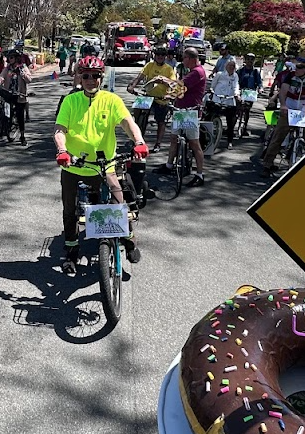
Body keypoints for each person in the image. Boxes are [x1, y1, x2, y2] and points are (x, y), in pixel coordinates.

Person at [54, 56, 147, 276]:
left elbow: (127, 122)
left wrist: (139, 142)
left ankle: (129, 239)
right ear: (79, 77)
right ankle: (71, 250)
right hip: (74, 165)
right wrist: (62, 150)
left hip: (104, 165)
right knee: (70, 210)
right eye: (85, 75)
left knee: (118, 202)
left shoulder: (111, 100)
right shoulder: (71, 101)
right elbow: (60, 129)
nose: (90, 80)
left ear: (101, 77)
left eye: (95, 76)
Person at [260, 53, 305, 178]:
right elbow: (283, 92)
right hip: (288, 109)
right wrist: (283, 105)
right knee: (278, 137)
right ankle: (267, 165)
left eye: (299, 67)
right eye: (296, 66)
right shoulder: (290, 76)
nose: (296, 69)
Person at [155, 47, 208, 186]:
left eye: (184, 57)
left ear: (191, 58)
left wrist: (165, 81)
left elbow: (180, 85)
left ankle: (200, 175)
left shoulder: (197, 72)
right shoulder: (193, 71)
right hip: (181, 111)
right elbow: (181, 89)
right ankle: (169, 166)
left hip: (190, 112)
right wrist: (169, 96)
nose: (182, 60)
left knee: (194, 143)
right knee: (174, 138)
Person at [127, 47, 177, 150]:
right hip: (147, 95)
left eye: (162, 55)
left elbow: (173, 84)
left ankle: (158, 143)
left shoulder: (169, 69)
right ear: (154, 55)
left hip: (161, 98)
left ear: (165, 57)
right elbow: (140, 76)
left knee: (161, 121)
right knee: (136, 110)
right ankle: (135, 136)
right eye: (158, 55)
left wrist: (164, 82)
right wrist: (132, 86)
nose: (159, 57)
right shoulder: (150, 65)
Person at [0, 49, 31, 145]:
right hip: (8, 94)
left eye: (11, 57)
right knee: (5, 112)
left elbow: (29, 80)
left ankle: (22, 136)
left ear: (16, 58)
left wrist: (23, 74)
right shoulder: (7, 68)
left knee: (20, 116)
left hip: (19, 95)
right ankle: (1, 129)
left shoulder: (23, 67)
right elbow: (1, 76)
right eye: (8, 58)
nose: (9, 59)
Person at [206, 58, 241, 148]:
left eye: (233, 66)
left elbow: (236, 86)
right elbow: (213, 85)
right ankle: (207, 137)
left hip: (229, 99)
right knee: (210, 116)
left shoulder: (235, 76)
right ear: (226, 66)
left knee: (231, 122)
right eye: (230, 65)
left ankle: (229, 141)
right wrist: (212, 91)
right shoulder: (220, 74)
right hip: (217, 98)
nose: (231, 68)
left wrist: (237, 94)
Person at [236, 53, 262, 138]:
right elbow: (235, 80)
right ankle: (234, 126)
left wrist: (260, 88)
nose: (250, 61)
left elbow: (259, 82)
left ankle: (244, 127)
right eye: (248, 59)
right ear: (245, 60)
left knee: (247, 110)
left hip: (250, 93)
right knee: (237, 109)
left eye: (252, 60)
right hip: (241, 91)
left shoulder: (255, 71)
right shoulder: (240, 71)